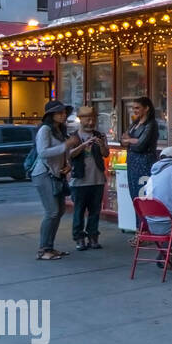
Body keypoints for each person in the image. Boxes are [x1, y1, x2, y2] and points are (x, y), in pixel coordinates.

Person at [33, 99, 84, 261]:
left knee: (59, 211)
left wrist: (67, 164)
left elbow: (64, 153)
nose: (63, 115)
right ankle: (43, 249)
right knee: (52, 211)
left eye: (64, 113)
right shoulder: (45, 130)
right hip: (43, 174)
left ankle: (50, 247)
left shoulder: (59, 130)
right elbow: (43, 152)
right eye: (59, 113)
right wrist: (67, 144)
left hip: (57, 174)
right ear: (51, 115)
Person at [70, 105, 108, 251]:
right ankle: (79, 237)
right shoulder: (73, 137)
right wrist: (84, 145)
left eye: (93, 118)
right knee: (79, 211)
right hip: (79, 180)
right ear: (81, 119)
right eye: (87, 119)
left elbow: (105, 154)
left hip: (97, 179)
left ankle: (93, 236)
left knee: (95, 210)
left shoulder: (100, 135)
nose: (91, 122)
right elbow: (70, 154)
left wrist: (101, 145)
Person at [122, 96, 159, 200]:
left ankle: (143, 217)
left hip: (144, 163)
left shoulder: (151, 124)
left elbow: (141, 145)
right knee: (134, 196)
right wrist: (132, 140)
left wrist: (129, 140)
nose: (134, 110)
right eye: (133, 108)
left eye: (137, 108)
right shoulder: (135, 123)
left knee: (143, 196)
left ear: (146, 108)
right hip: (132, 163)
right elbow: (123, 139)